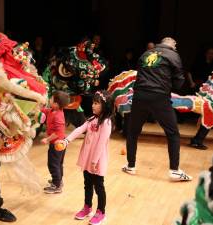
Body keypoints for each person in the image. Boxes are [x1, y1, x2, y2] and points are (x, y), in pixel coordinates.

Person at [122, 37, 192, 181]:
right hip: (159, 97)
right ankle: (174, 171)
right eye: (175, 45)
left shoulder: (145, 54)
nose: (176, 48)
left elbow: (140, 74)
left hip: (139, 95)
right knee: (173, 133)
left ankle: (130, 166)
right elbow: (179, 82)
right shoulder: (173, 55)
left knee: (132, 131)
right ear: (172, 45)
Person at [57, 90, 113, 225]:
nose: (93, 106)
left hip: (97, 160)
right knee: (87, 184)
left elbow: (101, 144)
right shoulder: (92, 119)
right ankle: (87, 207)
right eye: (93, 103)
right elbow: (79, 130)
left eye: (96, 103)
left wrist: (94, 161)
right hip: (88, 158)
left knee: (99, 186)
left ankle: (101, 212)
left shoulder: (106, 123)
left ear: (105, 106)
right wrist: (66, 141)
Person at [41, 91, 70, 194]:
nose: (49, 99)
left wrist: (47, 139)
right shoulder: (53, 110)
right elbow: (46, 111)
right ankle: (58, 180)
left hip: (57, 144)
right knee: (58, 163)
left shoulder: (58, 115)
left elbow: (58, 133)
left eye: (51, 99)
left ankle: (56, 185)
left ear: (57, 104)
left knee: (53, 164)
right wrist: (39, 108)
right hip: (58, 144)